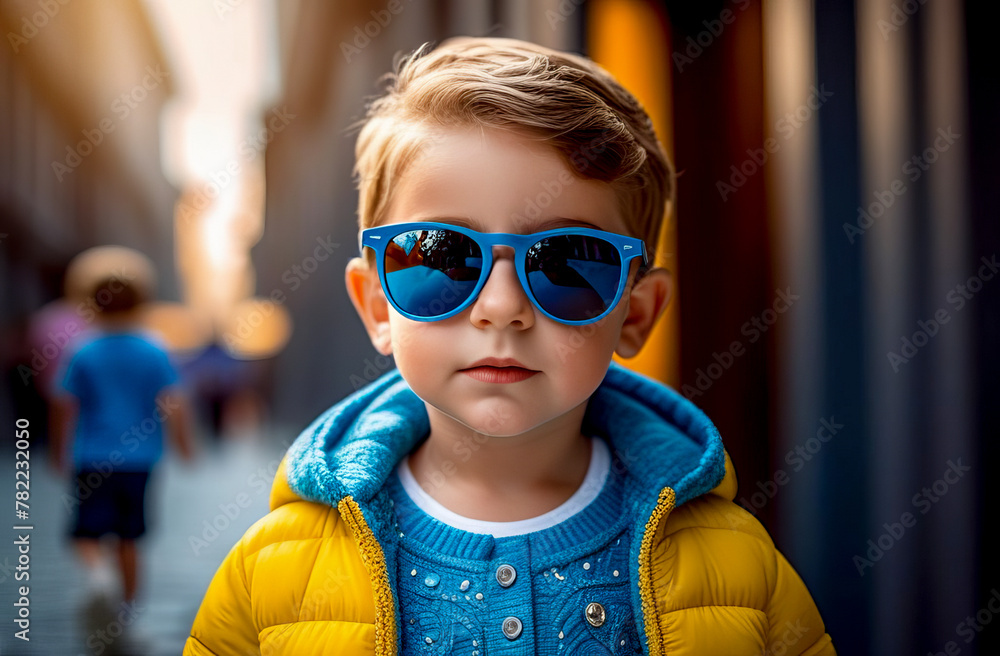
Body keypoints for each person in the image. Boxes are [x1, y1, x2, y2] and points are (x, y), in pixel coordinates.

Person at [185, 37, 835, 655]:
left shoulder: (739, 567)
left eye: (568, 263)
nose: (501, 307)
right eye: (441, 259)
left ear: (636, 314)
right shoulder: (271, 574)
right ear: (377, 306)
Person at [50, 266, 195, 630]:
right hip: (140, 460)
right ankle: (127, 611)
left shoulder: (82, 350)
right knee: (130, 538)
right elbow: (173, 402)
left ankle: (99, 575)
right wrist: (183, 444)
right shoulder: (153, 349)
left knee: (85, 532)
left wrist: (58, 450)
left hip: (92, 456)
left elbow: (64, 404)